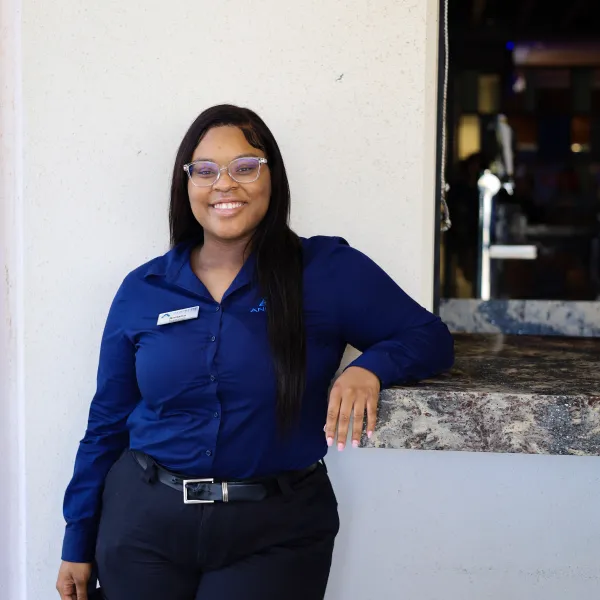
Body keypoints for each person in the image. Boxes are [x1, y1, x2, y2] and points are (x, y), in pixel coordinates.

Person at [56, 104, 454, 600]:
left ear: (273, 177)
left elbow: (429, 336)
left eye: (245, 167)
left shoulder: (327, 271)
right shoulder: (144, 288)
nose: (224, 184)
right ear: (187, 186)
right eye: (205, 171)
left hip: (275, 535)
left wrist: (370, 367)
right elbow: (107, 423)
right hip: (142, 528)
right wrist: (77, 539)